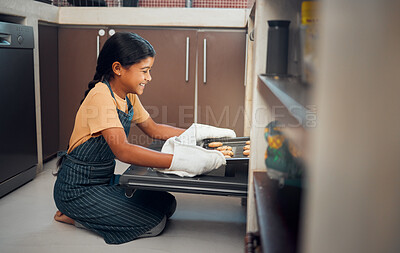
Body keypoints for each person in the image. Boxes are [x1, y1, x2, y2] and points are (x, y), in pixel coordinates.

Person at [53, 32, 233, 244]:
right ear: (118, 68)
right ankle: (75, 215)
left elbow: (154, 129)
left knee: (167, 203)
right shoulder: (101, 97)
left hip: (103, 182)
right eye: (144, 71)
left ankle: (98, 209)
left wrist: (197, 135)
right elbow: (124, 150)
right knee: (154, 223)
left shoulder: (127, 95)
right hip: (78, 189)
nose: (149, 77)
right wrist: (182, 161)